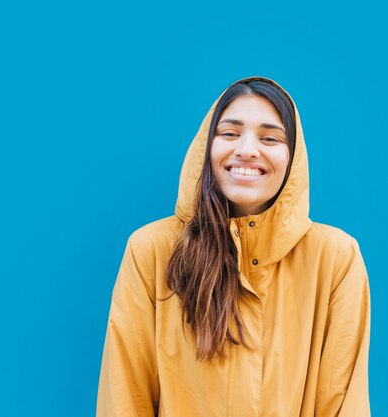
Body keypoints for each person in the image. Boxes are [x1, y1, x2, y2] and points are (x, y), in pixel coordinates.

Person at [96, 76, 371, 416]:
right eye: (229, 133)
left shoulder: (335, 259)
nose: (247, 149)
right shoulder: (151, 250)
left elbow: (343, 402)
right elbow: (125, 395)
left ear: (293, 157)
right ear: (206, 147)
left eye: (270, 137)